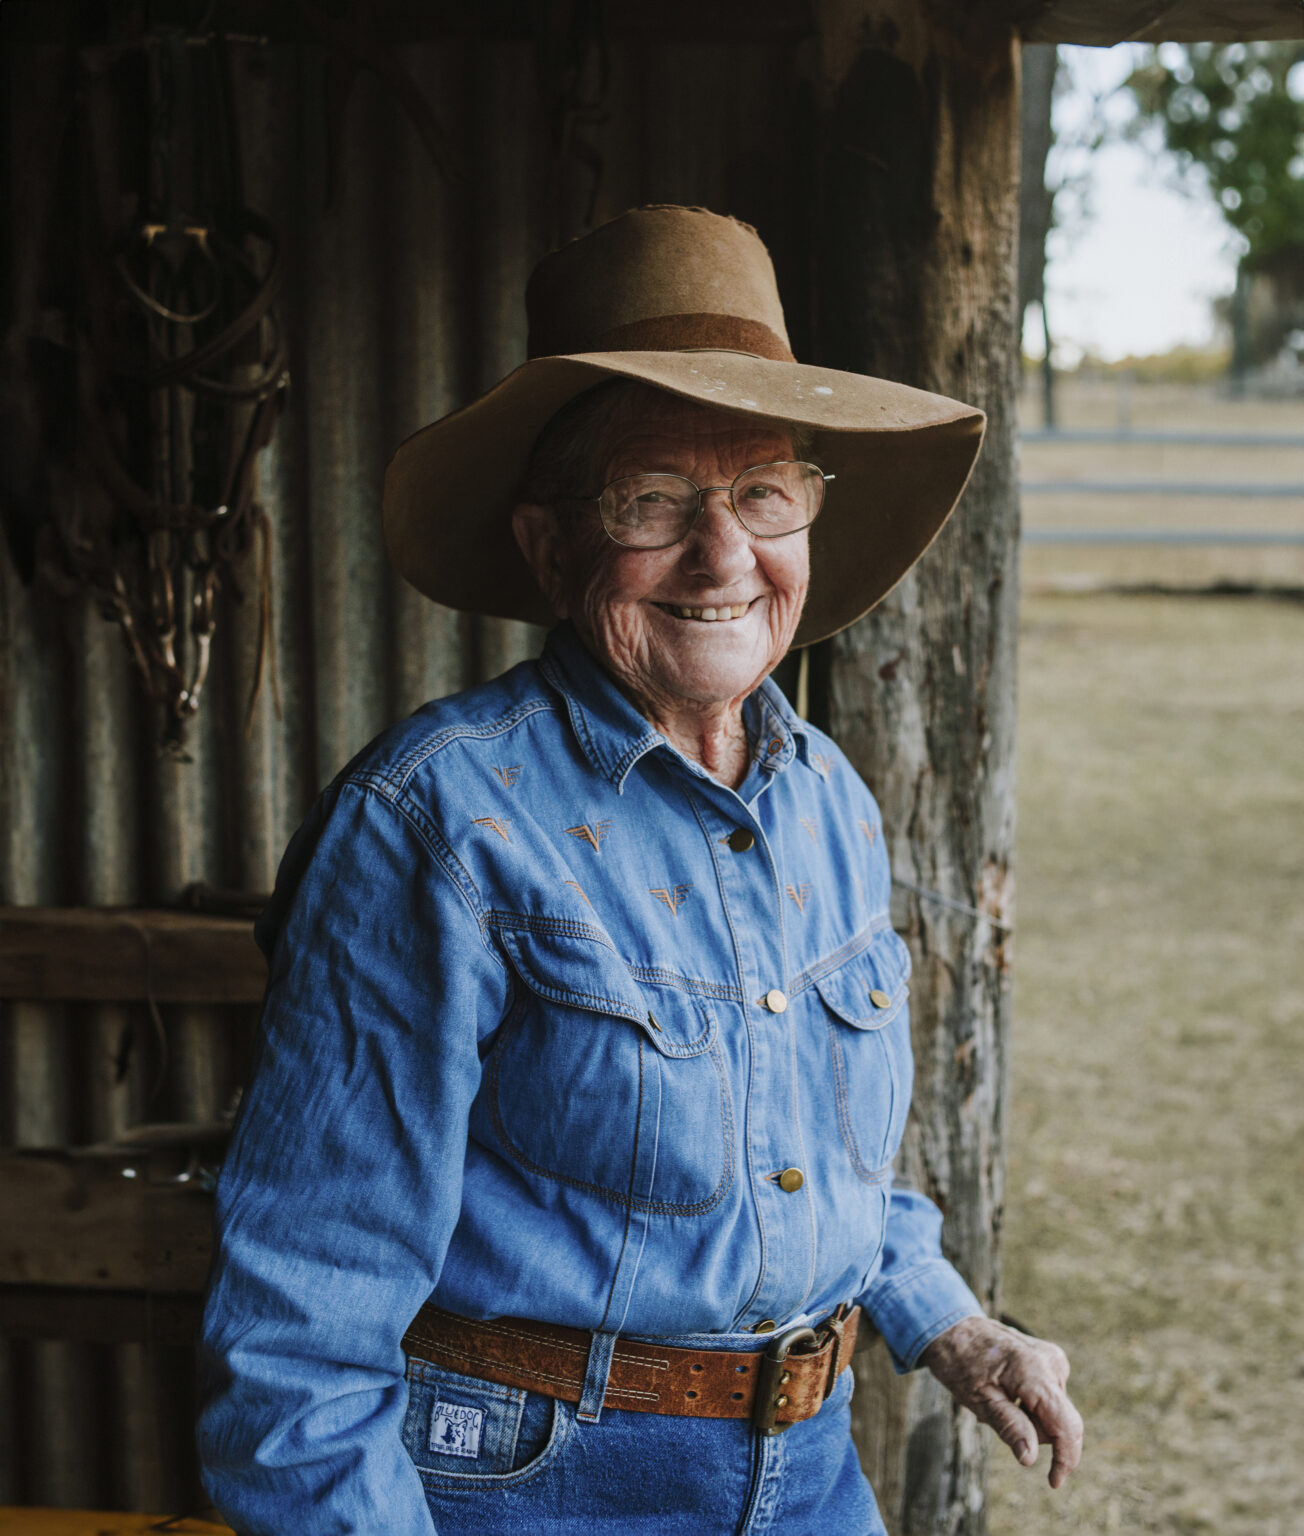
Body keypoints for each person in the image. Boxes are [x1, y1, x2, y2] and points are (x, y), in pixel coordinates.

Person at [198, 205, 1082, 1535]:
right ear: (551, 545)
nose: (724, 555)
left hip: (812, 1472)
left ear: (808, 520)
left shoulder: (828, 801)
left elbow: (817, 1159)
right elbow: (299, 1311)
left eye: (764, 493)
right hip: (533, 1481)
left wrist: (947, 1322)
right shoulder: (437, 821)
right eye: (654, 500)